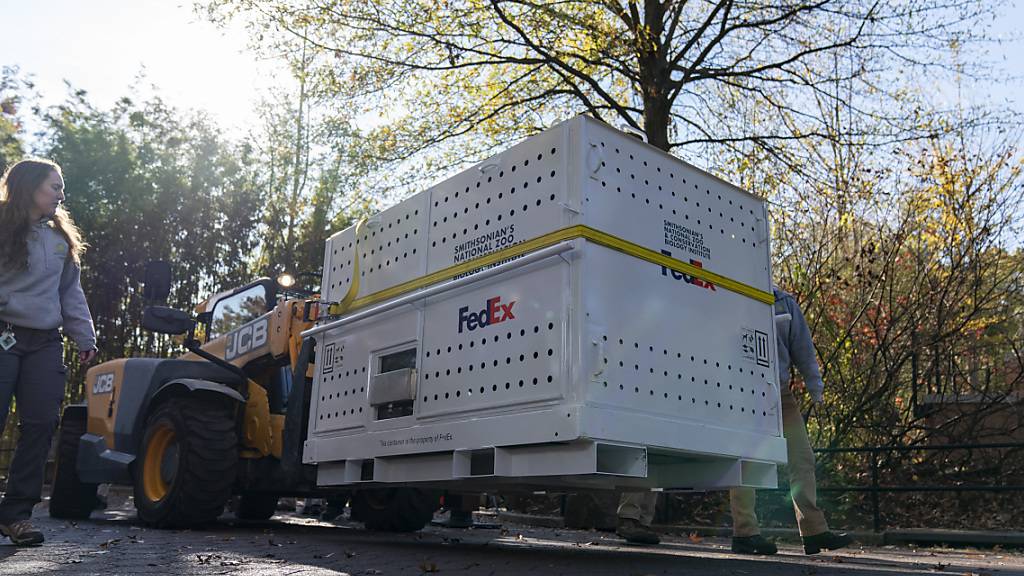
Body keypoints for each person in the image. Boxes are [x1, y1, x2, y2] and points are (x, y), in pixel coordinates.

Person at [616, 286, 852, 556]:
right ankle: (745, 532)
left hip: (778, 394)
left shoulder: (784, 302)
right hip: (740, 392)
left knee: (802, 457)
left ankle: (813, 531)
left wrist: (815, 387)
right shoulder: (731, 294)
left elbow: (803, 349)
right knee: (745, 461)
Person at [0, 158, 97, 545]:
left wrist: (84, 336)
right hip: (2, 334)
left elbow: (69, 291)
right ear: (28, 187)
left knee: (41, 424)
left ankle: (16, 515)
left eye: (62, 188)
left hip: (44, 342)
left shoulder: (60, 239)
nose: (61, 195)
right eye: (54, 187)